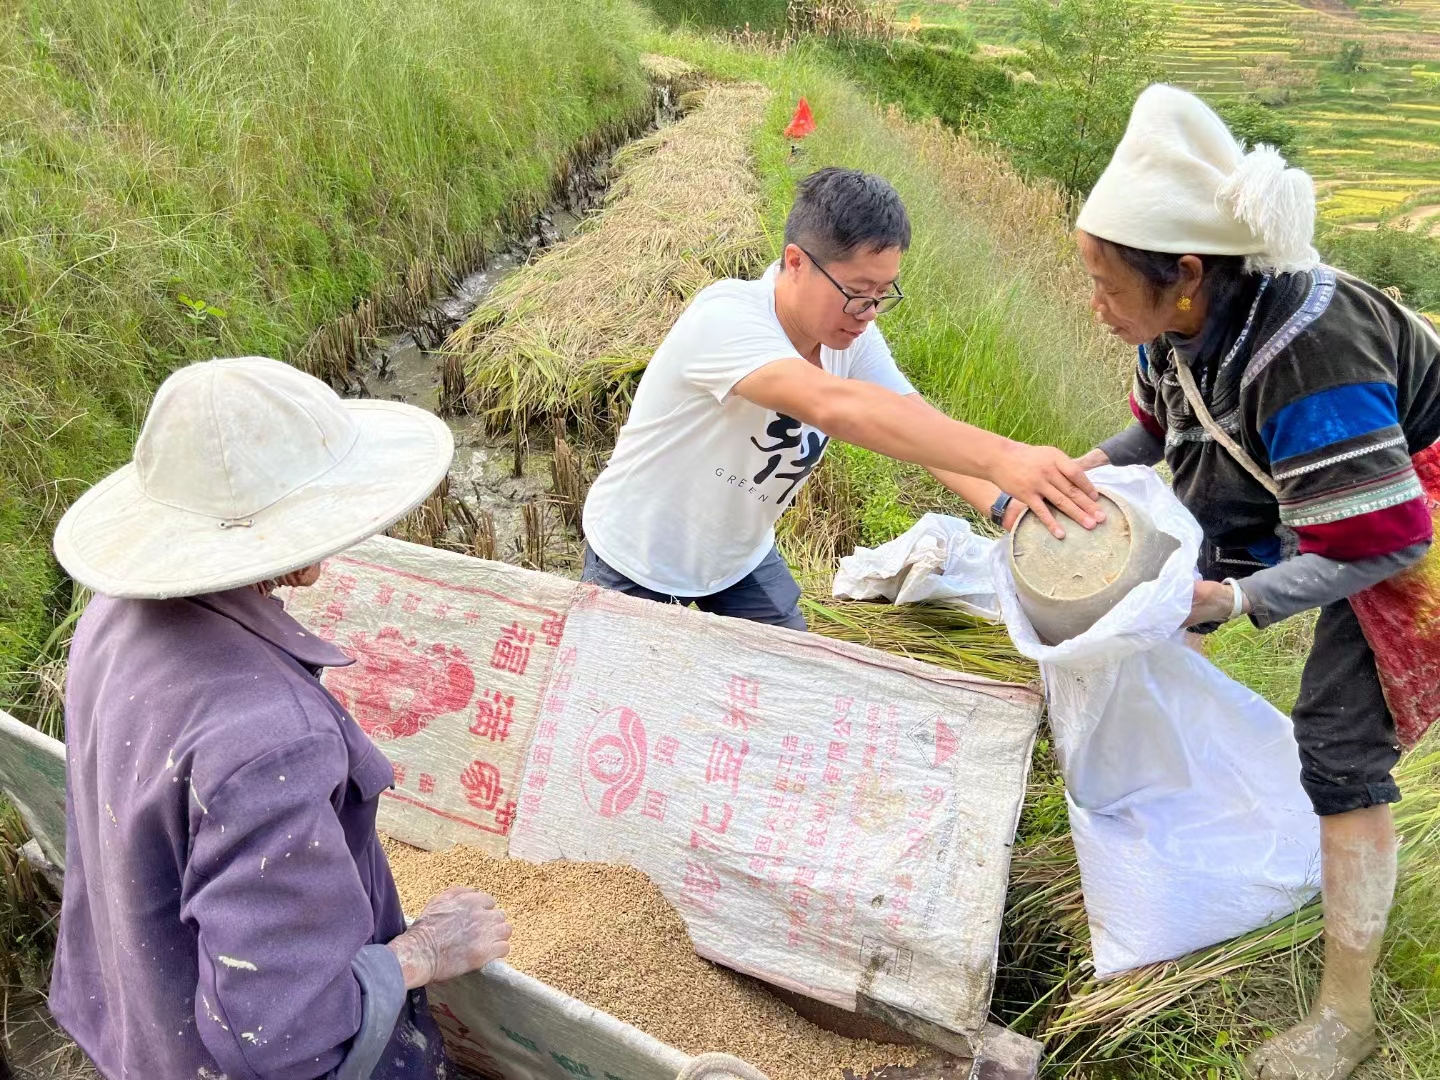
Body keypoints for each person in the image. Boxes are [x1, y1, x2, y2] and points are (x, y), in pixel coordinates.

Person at [949, 85, 1439, 1080]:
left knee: (1340, 744)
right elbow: (1162, 433)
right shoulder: (1183, 327)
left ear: (1185, 275)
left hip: (1413, 512)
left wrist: (1238, 599)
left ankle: (1347, 1020)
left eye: (1101, 280)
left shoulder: (1313, 352)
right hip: (1332, 491)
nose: (1092, 301)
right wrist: (1068, 474)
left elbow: (1386, 538)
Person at [48, 356, 514, 1080]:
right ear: (300, 554)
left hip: (139, 1020)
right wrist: (424, 952)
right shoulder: (273, 742)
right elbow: (290, 1039)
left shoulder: (111, 616)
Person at [580, 166, 1103, 630]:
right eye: (857, 290)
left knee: (791, 688)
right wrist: (1005, 456)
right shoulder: (725, 318)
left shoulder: (850, 337)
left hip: (735, 559)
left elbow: (911, 421)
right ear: (797, 262)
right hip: (638, 555)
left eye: (883, 294)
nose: (869, 311)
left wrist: (1008, 504)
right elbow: (835, 406)